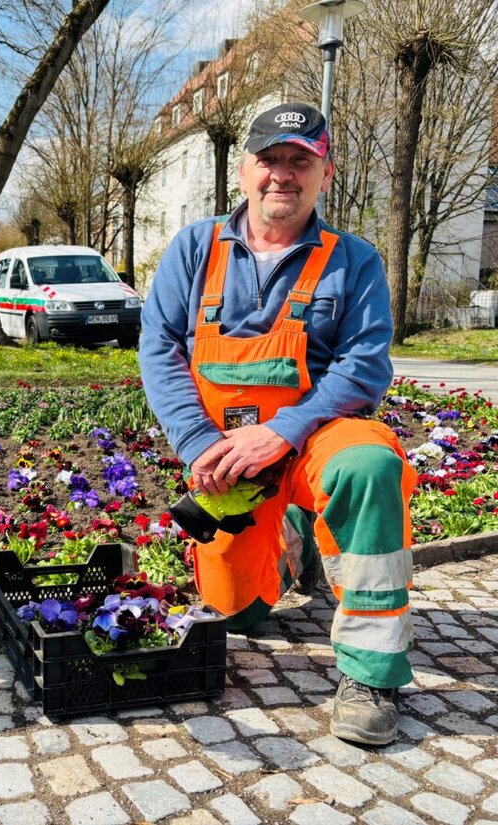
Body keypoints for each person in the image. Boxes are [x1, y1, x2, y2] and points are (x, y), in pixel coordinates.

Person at [139, 103, 417, 747]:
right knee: (238, 613)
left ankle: (371, 673)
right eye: (269, 160)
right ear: (244, 171)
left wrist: (284, 431)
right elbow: (159, 350)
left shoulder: (354, 261)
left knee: (371, 465)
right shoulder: (192, 248)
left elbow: (365, 367)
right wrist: (200, 442)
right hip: (230, 458)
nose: (281, 176)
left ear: (325, 172)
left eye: (300, 161)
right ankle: (288, 549)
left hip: (319, 437)